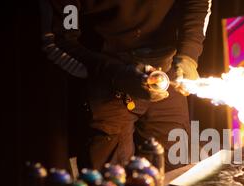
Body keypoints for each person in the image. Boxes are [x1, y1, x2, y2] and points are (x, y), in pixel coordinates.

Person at [40, 0, 212, 171]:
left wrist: (189, 53)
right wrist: (118, 75)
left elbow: (197, 2)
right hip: (106, 82)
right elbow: (59, 43)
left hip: (166, 75)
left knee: (178, 174)